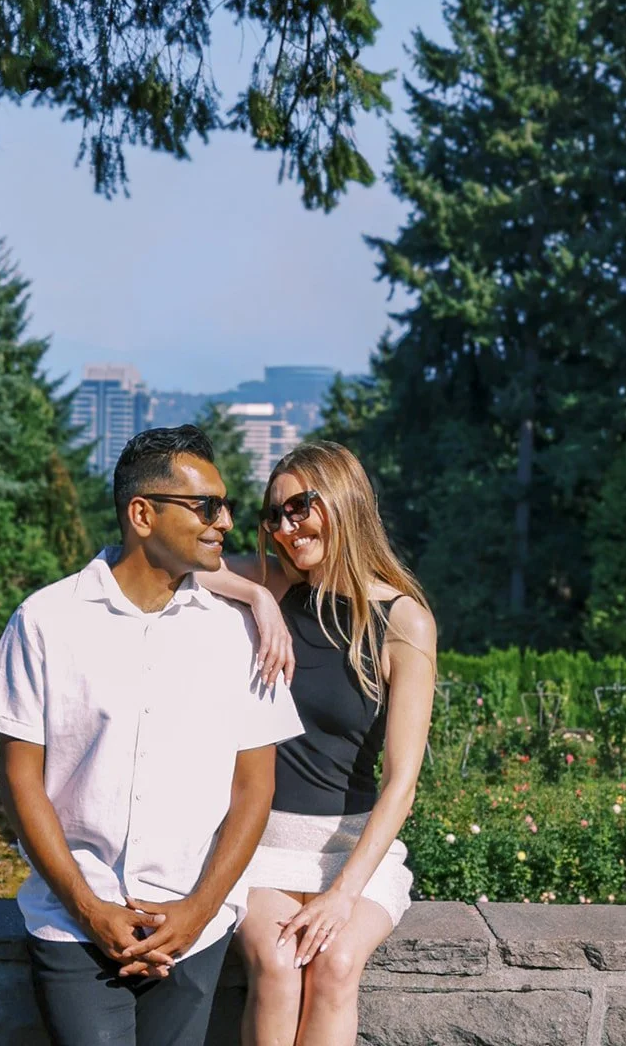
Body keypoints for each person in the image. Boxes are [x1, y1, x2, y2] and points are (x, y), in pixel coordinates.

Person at [0, 424, 304, 1046]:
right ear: (142, 513)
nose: (225, 522)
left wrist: (198, 911)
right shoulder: (46, 621)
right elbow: (18, 780)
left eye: (225, 505)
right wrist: (90, 909)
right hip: (74, 923)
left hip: (195, 930)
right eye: (206, 506)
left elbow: (254, 788)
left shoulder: (238, 636)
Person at [198, 440, 438, 1046]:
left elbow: (402, 783)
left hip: (353, 855)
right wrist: (257, 597)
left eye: (300, 507)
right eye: (273, 516)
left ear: (343, 499)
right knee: (278, 965)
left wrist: (341, 895)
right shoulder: (276, 584)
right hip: (260, 844)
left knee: (333, 966)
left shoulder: (404, 621)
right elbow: (170, 559)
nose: (285, 528)